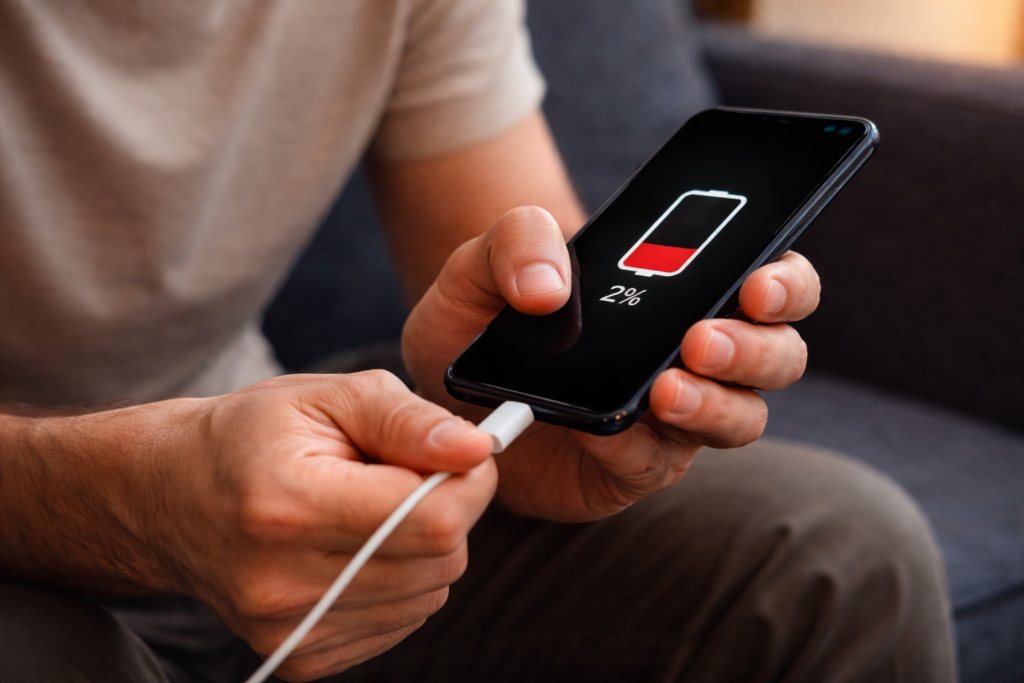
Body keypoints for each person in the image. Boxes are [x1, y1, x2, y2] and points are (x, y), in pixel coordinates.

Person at [0, 1, 956, 681]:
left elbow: (537, 281)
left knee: (838, 552)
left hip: (244, 429)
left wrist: (538, 408)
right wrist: (128, 498)